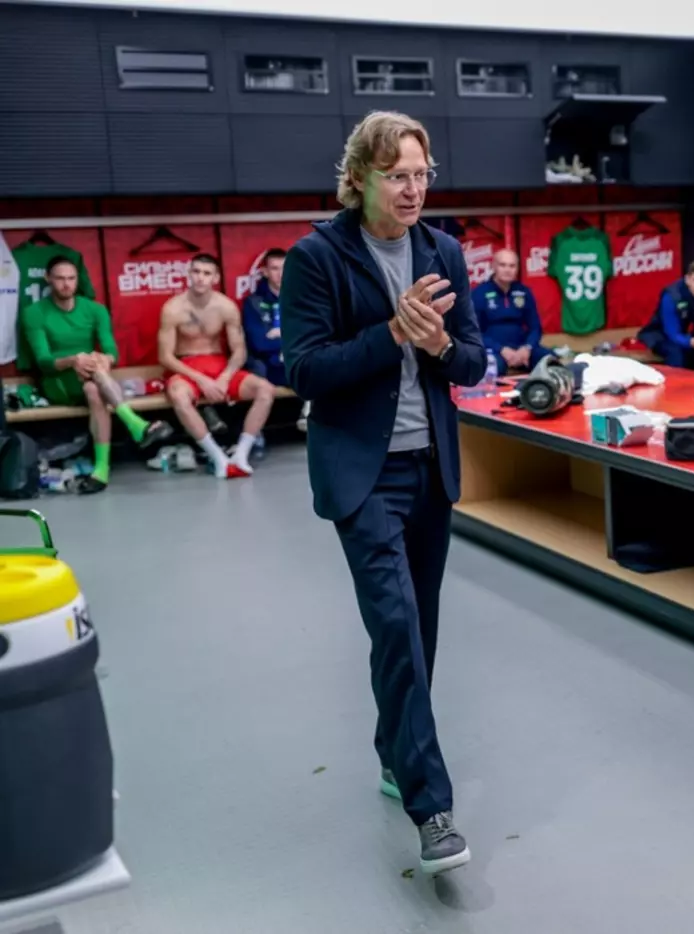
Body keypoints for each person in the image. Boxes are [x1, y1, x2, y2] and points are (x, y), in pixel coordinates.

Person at [280, 110, 486, 876]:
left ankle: (394, 751)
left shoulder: (443, 251)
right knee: (395, 625)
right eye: (397, 175)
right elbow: (305, 370)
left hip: (430, 467)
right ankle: (432, 809)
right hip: (362, 474)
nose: (412, 189)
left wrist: (439, 344)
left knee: (417, 631)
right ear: (360, 177)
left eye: (421, 174)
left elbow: (473, 363)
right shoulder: (316, 258)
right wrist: (393, 333)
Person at [19, 256, 173, 492]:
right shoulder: (34, 312)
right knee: (93, 376)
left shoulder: (95, 310)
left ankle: (101, 471)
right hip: (57, 381)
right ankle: (134, 423)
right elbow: (43, 361)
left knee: (93, 389)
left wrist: (104, 359)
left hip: (92, 379)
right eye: (60, 278)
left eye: (71, 278)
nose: (66, 284)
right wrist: (73, 360)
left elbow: (112, 351)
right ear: (48, 279)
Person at [156, 253, 277, 478]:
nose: (200, 278)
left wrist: (225, 377)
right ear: (189, 274)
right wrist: (201, 380)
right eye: (196, 272)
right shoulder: (173, 308)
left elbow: (239, 350)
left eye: (206, 273)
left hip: (219, 364)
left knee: (265, 390)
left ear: (216, 278)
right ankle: (217, 456)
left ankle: (241, 454)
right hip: (186, 367)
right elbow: (165, 357)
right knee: (179, 397)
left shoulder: (226, 307)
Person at [638, 259, 694, 373]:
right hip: (662, 336)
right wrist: (691, 342)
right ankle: (678, 384)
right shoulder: (672, 296)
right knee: (675, 351)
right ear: (687, 279)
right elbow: (672, 333)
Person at [469, 249, 547, 373]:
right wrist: (500, 349)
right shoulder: (479, 293)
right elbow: (473, 332)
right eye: (503, 265)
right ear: (494, 266)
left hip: (522, 348)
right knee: (493, 367)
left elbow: (535, 327)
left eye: (512, 266)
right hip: (493, 350)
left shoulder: (524, 291)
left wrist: (527, 347)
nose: (507, 270)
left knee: (548, 360)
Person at [241, 247, 287, 387]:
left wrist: (280, 333)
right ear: (265, 272)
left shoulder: (302, 300)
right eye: (275, 269)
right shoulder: (253, 303)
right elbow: (259, 344)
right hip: (268, 366)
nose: (281, 274)